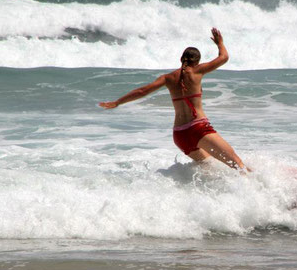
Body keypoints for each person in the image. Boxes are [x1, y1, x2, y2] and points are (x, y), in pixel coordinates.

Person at [99, 28, 247, 171]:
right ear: (197, 61)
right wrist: (220, 43)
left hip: (180, 136)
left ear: (181, 59)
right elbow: (224, 57)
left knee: (210, 168)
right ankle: (259, 189)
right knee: (238, 165)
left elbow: (142, 91)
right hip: (198, 129)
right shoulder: (197, 70)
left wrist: (117, 102)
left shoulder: (167, 78)